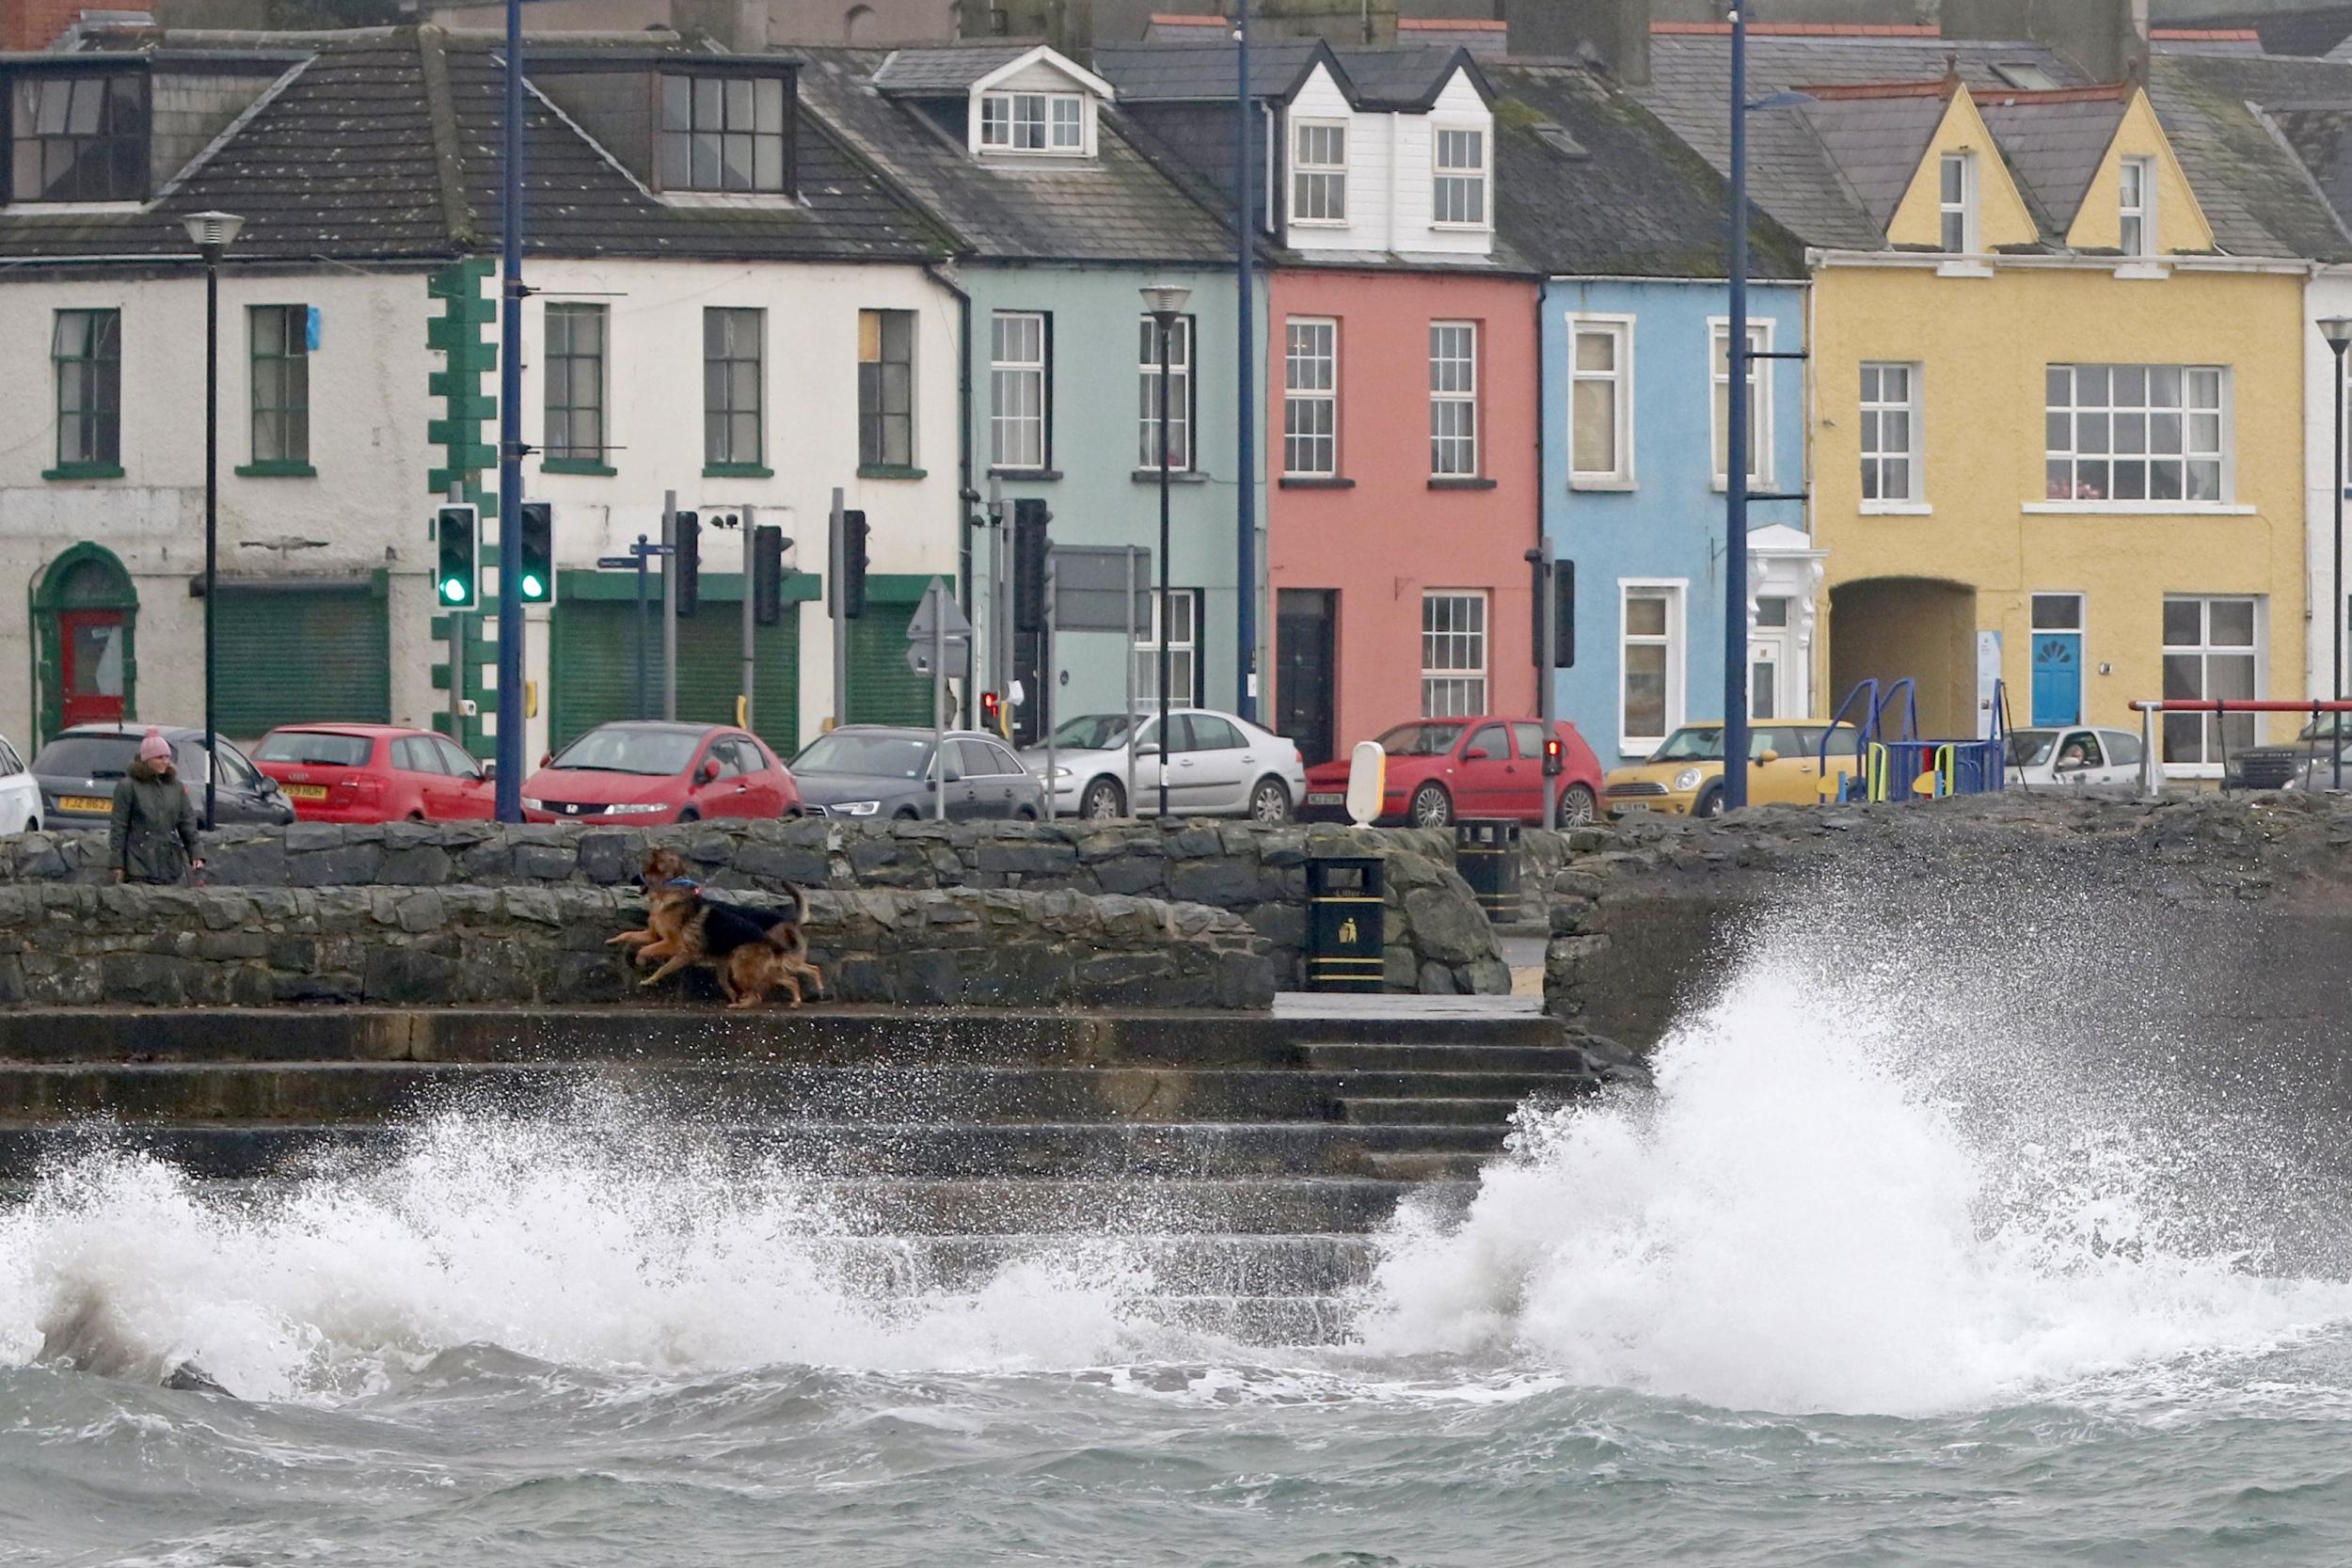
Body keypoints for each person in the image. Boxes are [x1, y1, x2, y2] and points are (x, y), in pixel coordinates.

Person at [109, 728, 202, 885]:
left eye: (167, 757)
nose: (165, 761)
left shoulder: (176, 787)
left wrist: (196, 853)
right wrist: (117, 865)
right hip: (138, 865)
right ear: (146, 759)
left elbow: (187, 821)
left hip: (170, 865)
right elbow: (119, 827)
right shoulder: (128, 786)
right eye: (159, 757)